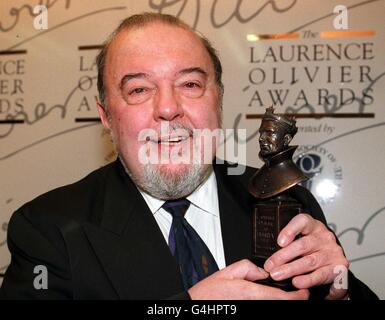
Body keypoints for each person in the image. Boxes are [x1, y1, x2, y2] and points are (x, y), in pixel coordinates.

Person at [0, 13, 378, 300]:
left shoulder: (288, 201)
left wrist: (338, 289)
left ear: (219, 100)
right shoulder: (46, 229)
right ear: (106, 117)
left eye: (191, 84)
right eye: (139, 89)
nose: (168, 108)